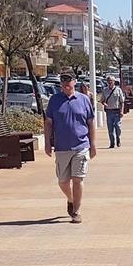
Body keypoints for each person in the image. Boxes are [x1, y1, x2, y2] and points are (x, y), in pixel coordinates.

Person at [44, 73, 97, 224]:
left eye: (69, 81)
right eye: (63, 81)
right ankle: (71, 199)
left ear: (75, 82)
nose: (66, 84)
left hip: (81, 146)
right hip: (61, 148)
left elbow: (90, 123)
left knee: (78, 179)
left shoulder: (84, 99)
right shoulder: (54, 100)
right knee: (63, 181)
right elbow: (48, 123)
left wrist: (93, 144)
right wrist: (47, 143)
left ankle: (76, 211)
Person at [101, 76, 125, 148]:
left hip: (117, 111)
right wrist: (104, 103)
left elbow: (122, 102)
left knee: (117, 126)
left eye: (111, 80)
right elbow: (102, 100)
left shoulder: (118, 90)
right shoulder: (105, 90)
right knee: (110, 128)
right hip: (109, 111)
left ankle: (118, 139)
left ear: (114, 81)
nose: (110, 82)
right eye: (108, 80)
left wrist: (122, 111)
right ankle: (112, 143)